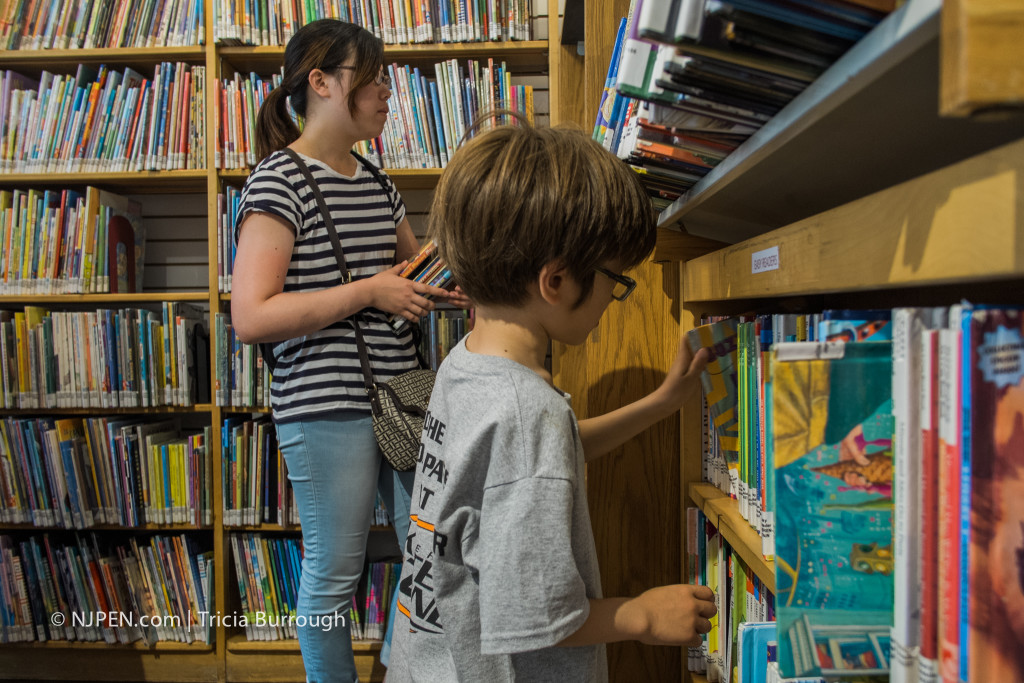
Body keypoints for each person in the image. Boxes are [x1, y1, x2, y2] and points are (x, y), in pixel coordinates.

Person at [386, 120, 717, 682]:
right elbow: (536, 614)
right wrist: (640, 615)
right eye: (617, 279)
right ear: (557, 281)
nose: (614, 296)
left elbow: (530, 464)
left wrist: (661, 404)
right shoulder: (526, 412)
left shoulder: (467, 362)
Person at [230, 19, 466, 683]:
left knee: (431, 553)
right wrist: (369, 291)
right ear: (324, 82)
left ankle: (401, 670)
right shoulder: (277, 182)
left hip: (400, 401)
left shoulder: (375, 180)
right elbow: (251, 315)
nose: (389, 91)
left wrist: (462, 280)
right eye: (374, 77)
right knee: (335, 570)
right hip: (323, 403)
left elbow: (410, 278)